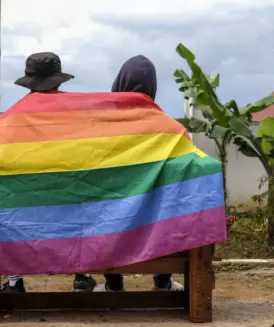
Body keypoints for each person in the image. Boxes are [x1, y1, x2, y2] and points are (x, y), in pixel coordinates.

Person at [1, 52, 97, 293]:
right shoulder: (76, 112)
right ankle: (82, 276)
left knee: (8, 214)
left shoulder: (14, 115)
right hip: (69, 194)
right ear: (59, 80)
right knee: (81, 209)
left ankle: (14, 281)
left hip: (27, 198)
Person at [92, 55, 184, 292]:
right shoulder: (171, 129)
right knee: (174, 205)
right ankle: (163, 281)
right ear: (152, 87)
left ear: (119, 83)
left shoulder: (103, 127)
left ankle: (113, 283)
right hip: (156, 219)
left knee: (99, 207)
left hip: (113, 217)